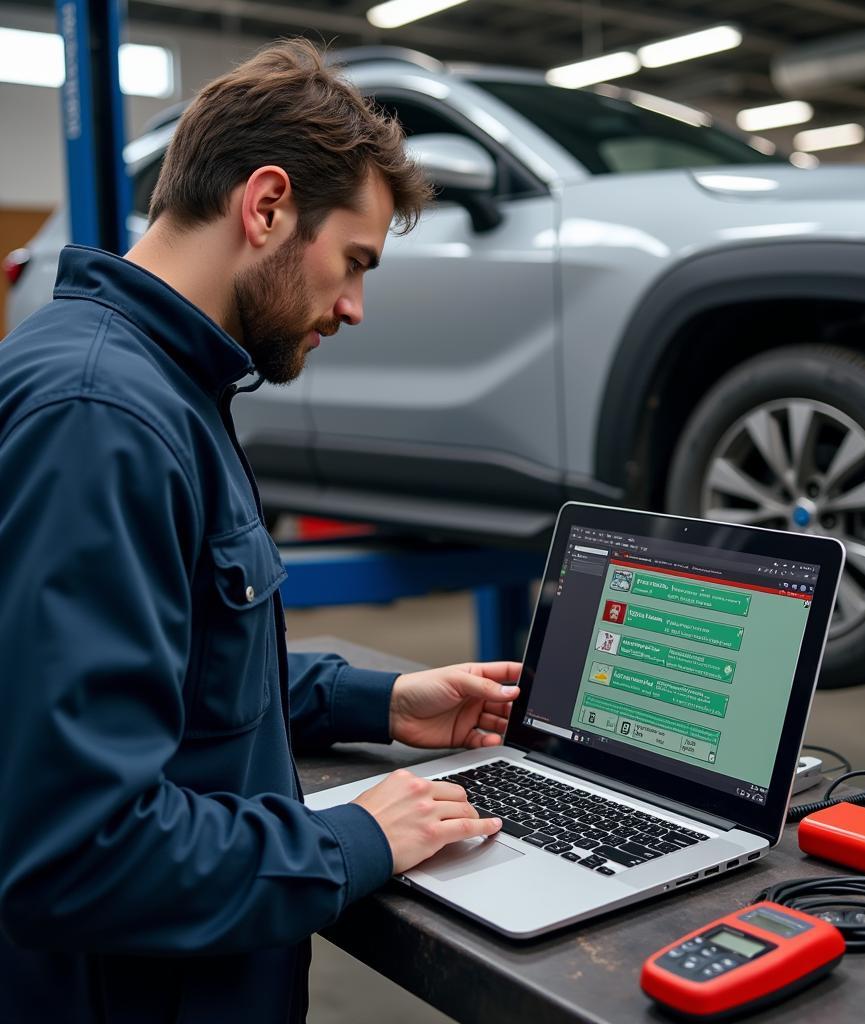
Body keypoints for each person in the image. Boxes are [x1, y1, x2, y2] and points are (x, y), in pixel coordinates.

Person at [0, 39, 521, 1023]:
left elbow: (176, 668)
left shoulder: (152, 385)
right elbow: (78, 849)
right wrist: (359, 837)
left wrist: (384, 701)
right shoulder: (101, 418)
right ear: (268, 205)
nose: (356, 307)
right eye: (355, 261)